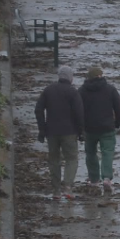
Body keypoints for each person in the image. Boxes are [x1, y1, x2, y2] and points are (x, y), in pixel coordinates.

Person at [35, 64, 84, 199]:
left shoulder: (48, 90)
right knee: (72, 159)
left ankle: (56, 190)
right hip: (69, 132)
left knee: (54, 160)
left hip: (52, 132)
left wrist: (42, 129)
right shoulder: (73, 92)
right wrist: (81, 131)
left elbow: (38, 110)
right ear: (70, 78)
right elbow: (79, 113)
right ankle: (68, 187)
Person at [78, 66, 120, 192]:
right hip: (107, 127)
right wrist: (118, 123)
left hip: (89, 128)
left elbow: (77, 111)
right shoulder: (110, 89)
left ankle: (94, 180)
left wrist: (79, 128)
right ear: (101, 76)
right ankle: (107, 178)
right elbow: (119, 107)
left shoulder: (82, 91)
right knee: (107, 152)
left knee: (90, 153)